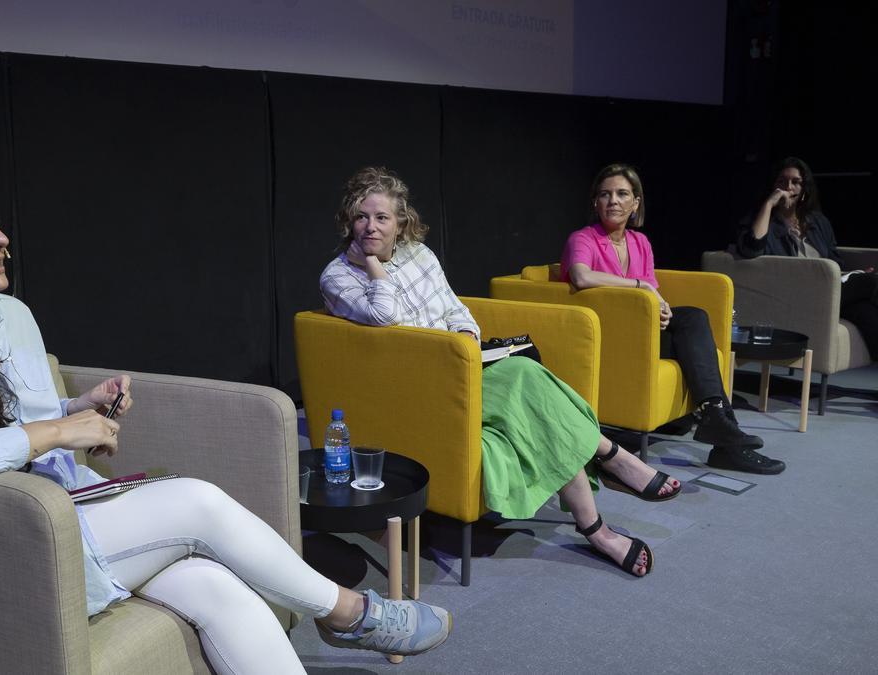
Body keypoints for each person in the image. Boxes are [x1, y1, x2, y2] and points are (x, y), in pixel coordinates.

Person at [0, 164, 453, 674]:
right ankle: (350, 615)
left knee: (220, 589)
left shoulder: (8, 313)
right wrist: (57, 432)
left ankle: (345, 618)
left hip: (68, 506)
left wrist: (72, 409)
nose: (2, 238)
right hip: (9, 541)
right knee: (196, 502)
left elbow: (10, 419)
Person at [320, 167, 681, 578]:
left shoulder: (420, 255)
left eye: (382, 217)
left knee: (528, 381)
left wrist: (467, 339)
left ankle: (597, 520)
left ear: (401, 221)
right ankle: (608, 469)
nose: (370, 227)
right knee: (527, 378)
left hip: (465, 366)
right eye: (361, 217)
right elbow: (383, 317)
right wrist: (371, 264)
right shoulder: (337, 276)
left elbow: (458, 310)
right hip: (419, 386)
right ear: (349, 220)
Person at [560, 163, 785, 475]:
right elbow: (582, 277)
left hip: (644, 333)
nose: (613, 200)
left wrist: (662, 305)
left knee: (691, 322)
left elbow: (654, 288)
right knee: (692, 322)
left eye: (622, 193)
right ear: (595, 203)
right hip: (609, 339)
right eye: (605, 194)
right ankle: (719, 424)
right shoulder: (582, 239)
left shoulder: (640, 243)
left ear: (635, 203)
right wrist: (642, 287)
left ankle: (720, 427)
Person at [740, 156, 877, 359]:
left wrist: (852, 275)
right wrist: (769, 205)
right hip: (795, 295)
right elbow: (752, 250)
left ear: (805, 189)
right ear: (772, 185)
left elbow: (834, 263)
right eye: (782, 181)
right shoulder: (760, 219)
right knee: (870, 284)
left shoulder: (818, 222)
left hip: (828, 293)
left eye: (796, 182)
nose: (788, 187)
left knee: (866, 313)